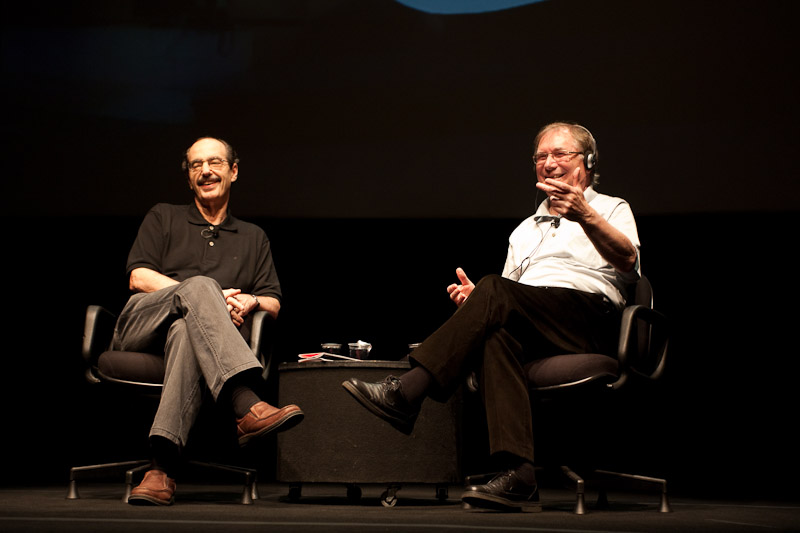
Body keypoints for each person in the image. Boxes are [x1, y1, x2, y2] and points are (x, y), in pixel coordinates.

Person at [342, 122, 640, 512]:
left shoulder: (611, 208)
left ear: (587, 161)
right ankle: (520, 475)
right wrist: (475, 302)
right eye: (541, 156)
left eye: (560, 154)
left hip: (588, 318)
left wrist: (585, 214)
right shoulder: (524, 230)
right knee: (496, 333)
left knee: (495, 290)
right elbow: (508, 297)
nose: (549, 162)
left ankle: (409, 389)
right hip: (536, 323)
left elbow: (628, 261)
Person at [112, 136, 303, 506]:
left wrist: (250, 300)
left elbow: (273, 302)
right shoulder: (163, 216)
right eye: (196, 165)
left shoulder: (253, 237)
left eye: (215, 162)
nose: (205, 171)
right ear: (188, 178)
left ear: (233, 171)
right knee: (201, 287)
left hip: (191, 342)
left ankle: (160, 469)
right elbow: (138, 277)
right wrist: (209, 296)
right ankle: (244, 402)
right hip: (141, 328)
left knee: (186, 330)